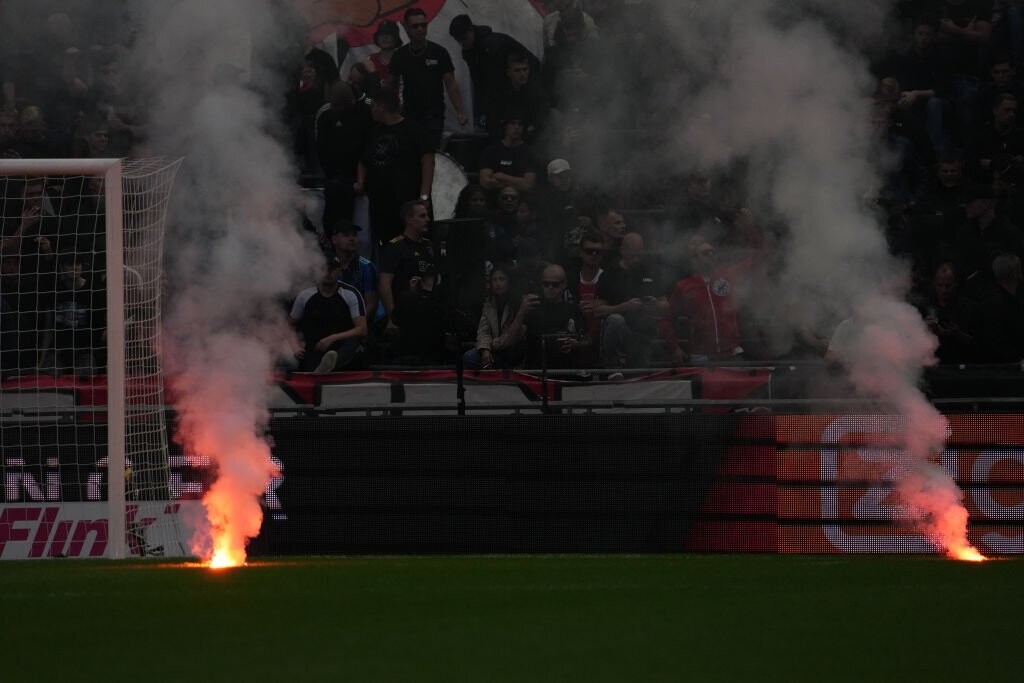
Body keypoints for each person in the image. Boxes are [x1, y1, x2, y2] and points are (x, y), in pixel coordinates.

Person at [356, 88, 434, 245]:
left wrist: (424, 195)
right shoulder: (374, 132)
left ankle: (421, 269)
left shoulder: (414, 130)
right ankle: (388, 270)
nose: (371, 110)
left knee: (415, 246)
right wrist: (361, 182)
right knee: (387, 247)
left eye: (373, 106)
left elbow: (428, 161)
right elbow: (363, 162)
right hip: (381, 203)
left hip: (407, 200)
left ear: (381, 107)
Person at [389, 7, 469, 148]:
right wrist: (391, 110)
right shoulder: (399, 56)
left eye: (423, 25)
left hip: (434, 113)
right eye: (415, 26)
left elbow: (450, 84)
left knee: (431, 152)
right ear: (407, 28)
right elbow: (391, 85)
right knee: (412, 152)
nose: (420, 29)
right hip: (410, 113)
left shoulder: (439, 52)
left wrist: (460, 111)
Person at [448, 14, 541, 131]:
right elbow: (479, 81)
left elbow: (495, 81)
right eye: (458, 40)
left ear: (471, 30)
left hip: (520, 89)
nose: (461, 43)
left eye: (464, 38)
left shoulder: (492, 46)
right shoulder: (469, 51)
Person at [661, 236, 745, 364]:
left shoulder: (728, 279)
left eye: (713, 252)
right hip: (702, 357)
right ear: (695, 260)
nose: (711, 255)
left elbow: (754, 261)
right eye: (705, 253)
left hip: (732, 354)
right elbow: (667, 319)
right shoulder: (684, 286)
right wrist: (674, 348)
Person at [593, 233, 667, 369]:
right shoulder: (610, 273)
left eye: (639, 254)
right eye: (633, 255)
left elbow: (666, 305)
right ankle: (613, 364)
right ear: (622, 251)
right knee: (616, 320)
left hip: (644, 336)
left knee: (639, 378)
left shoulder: (649, 272)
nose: (637, 259)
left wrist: (654, 304)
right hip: (620, 333)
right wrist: (623, 307)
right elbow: (597, 311)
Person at [378, 200, 439, 357]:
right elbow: (385, 284)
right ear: (409, 219)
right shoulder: (395, 247)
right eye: (422, 216)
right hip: (405, 313)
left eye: (428, 216)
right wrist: (392, 318)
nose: (428, 220)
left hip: (429, 311)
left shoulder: (429, 246)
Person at [290, 256, 367, 373]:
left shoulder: (350, 294)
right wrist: (294, 345)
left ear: (340, 270)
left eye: (332, 268)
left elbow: (362, 329)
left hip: (341, 345)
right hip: (314, 346)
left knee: (355, 341)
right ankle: (321, 368)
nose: (328, 272)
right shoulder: (305, 295)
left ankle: (332, 362)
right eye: (323, 268)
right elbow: (289, 326)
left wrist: (333, 338)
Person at [315, 81, 372, 230]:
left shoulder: (366, 109)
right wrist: (331, 174)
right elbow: (321, 146)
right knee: (333, 220)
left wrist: (362, 178)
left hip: (361, 177)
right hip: (336, 178)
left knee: (361, 225)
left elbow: (370, 144)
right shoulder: (326, 114)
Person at [522, 263, 587, 369]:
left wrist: (576, 344)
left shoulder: (573, 309)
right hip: (537, 371)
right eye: (546, 284)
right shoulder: (531, 308)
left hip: (567, 372)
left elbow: (587, 340)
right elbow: (517, 338)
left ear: (564, 284)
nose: (550, 287)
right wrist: (521, 312)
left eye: (555, 284)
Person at [463, 265, 528, 370]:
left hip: (511, 349)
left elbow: (511, 337)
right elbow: (483, 331)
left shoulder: (517, 303)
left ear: (508, 281)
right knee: (469, 357)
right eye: (494, 280)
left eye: (502, 279)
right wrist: (485, 349)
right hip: (492, 348)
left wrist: (492, 345)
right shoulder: (488, 304)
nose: (498, 283)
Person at [976, 251, 1024, 360]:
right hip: (1003, 369)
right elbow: (994, 342)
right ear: (1016, 272)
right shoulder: (995, 303)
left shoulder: (990, 298)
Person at [478, 116, 537, 196]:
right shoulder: (491, 151)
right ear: (505, 125)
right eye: (512, 123)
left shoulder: (529, 153)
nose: (516, 127)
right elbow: (485, 182)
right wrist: (518, 183)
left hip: (520, 200)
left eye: (520, 124)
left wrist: (502, 177)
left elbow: (529, 185)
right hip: (494, 199)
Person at [361, 20, 403, 92]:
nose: (384, 37)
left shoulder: (404, 59)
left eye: (389, 34)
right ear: (377, 38)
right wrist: (370, 103)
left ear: (396, 38)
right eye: (381, 34)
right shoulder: (369, 60)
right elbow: (361, 96)